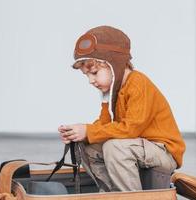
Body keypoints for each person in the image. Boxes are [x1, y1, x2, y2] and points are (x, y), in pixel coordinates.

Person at [58, 26, 186, 192]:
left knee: (114, 147)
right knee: (88, 144)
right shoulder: (111, 91)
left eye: (95, 72)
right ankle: (113, 193)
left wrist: (89, 131)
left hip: (163, 150)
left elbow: (131, 128)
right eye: (87, 76)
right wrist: (80, 133)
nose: (91, 81)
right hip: (137, 146)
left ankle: (131, 197)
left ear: (113, 65)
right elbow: (104, 125)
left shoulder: (138, 83)